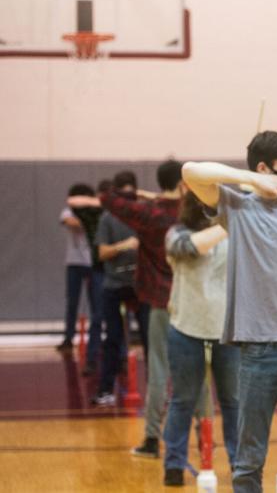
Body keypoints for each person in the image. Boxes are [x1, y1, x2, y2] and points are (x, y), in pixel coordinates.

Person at [182, 130, 277, 493]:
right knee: (248, 460)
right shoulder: (237, 208)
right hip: (259, 349)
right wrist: (252, 181)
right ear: (263, 168)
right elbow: (191, 171)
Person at [100, 159, 184, 458]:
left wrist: (143, 195)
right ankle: (203, 437)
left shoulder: (152, 213)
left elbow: (106, 195)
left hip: (161, 302)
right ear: (184, 182)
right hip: (193, 304)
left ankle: (151, 440)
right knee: (198, 374)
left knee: (158, 369)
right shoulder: (196, 210)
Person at [161, 191, 239, 486]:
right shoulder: (176, 234)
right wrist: (230, 222)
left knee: (233, 402)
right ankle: (173, 464)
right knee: (183, 400)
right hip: (186, 329)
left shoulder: (234, 235)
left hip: (227, 331)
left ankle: (238, 464)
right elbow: (192, 247)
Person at [91, 171, 148, 406]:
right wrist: (126, 245)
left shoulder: (144, 215)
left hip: (141, 285)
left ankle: (158, 394)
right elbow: (102, 253)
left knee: (151, 339)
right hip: (114, 285)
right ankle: (106, 390)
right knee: (113, 339)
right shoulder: (108, 218)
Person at [61, 183, 105, 376]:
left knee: (96, 306)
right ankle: (68, 337)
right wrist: (87, 218)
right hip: (74, 263)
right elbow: (71, 222)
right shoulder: (69, 211)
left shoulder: (96, 212)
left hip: (92, 264)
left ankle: (95, 345)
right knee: (72, 301)